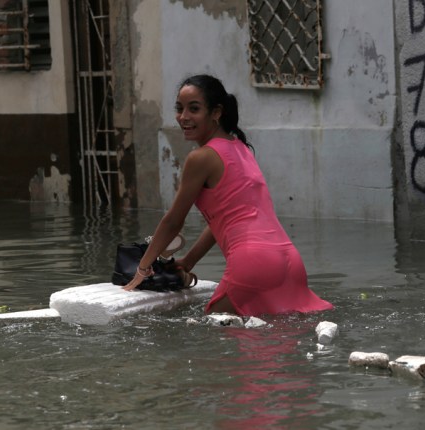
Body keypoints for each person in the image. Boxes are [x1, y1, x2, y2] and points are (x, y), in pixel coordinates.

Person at [123, 74, 333, 317]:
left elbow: (173, 221)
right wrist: (188, 261)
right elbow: (223, 220)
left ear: (216, 112)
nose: (183, 117)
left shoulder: (201, 157)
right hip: (290, 262)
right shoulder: (242, 148)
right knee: (276, 347)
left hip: (253, 262)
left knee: (213, 345)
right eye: (179, 109)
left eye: (194, 109)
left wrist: (142, 269)